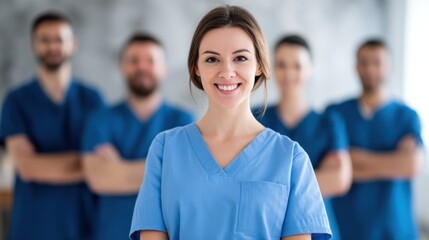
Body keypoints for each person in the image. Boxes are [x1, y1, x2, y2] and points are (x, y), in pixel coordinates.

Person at [130, 5, 331, 240]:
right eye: (212, 59)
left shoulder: (291, 159)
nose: (227, 71)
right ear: (196, 67)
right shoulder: (165, 149)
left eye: (240, 58)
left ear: (259, 65)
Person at [0, 12, 104, 240]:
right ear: (33, 45)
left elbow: (101, 165)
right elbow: (26, 167)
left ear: (73, 44)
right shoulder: (17, 100)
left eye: (59, 39)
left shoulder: (92, 99)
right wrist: (84, 163)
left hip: (83, 222)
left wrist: (46, 164)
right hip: (33, 223)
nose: (52, 46)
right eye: (44, 40)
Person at [81, 33, 193, 240]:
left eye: (151, 60)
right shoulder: (100, 120)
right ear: (122, 67)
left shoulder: (183, 120)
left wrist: (118, 169)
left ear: (163, 68)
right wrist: (163, 168)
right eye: (134, 60)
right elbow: (98, 178)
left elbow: (187, 181)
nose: (142, 67)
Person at [254, 35, 352, 240]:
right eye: (282, 65)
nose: (289, 72)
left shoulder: (329, 122)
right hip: (267, 230)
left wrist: (271, 184)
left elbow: (339, 180)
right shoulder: (256, 118)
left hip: (319, 229)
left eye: (297, 66)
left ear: (310, 70)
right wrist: (319, 175)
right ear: (272, 68)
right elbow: (246, 182)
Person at [327, 39, 424, 240]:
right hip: (346, 228)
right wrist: (393, 161)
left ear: (388, 67)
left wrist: (353, 161)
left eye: (377, 62)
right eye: (364, 62)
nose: (370, 69)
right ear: (356, 66)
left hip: (395, 230)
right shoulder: (336, 113)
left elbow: (412, 165)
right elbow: (332, 167)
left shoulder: (407, 116)